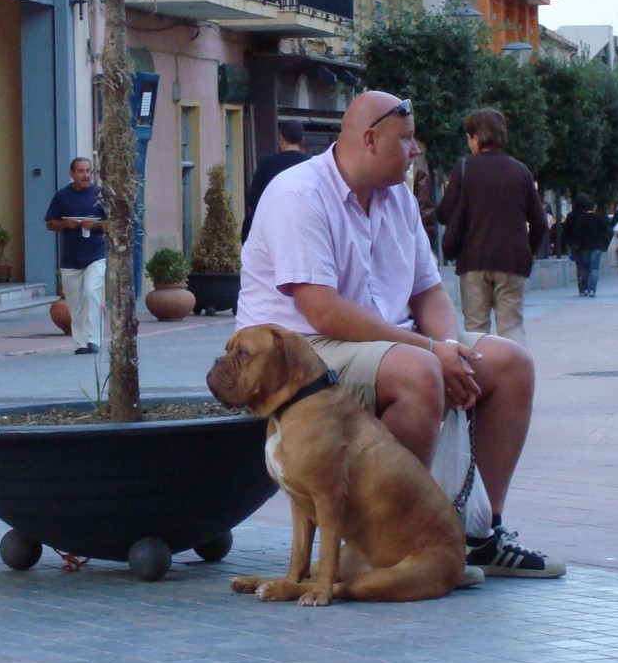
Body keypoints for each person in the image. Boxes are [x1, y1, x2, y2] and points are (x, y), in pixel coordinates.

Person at [238, 91, 562, 578]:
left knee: (510, 363)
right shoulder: (297, 194)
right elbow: (323, 311)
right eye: (406, 140)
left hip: (383, 339)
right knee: (419, 372)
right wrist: (432, 353)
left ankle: (478, 536)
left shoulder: (398, 199)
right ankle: (378, 546)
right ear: (370, 140)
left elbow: (428, 291)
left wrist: (452, 351)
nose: (415, 151)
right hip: (301, 352)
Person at [436, 109, 547, 345]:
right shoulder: (521, 171)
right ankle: (516, 377)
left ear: (475, 137)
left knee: (476, 327)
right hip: (512, 260)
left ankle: (480, 379)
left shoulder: (465, 169)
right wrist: (528, 251)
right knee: (512, 325)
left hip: (473, 261)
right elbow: (539, 222)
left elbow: (444, 214)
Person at [45, 157, 106, 355]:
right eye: (80, 171)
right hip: (70, 258)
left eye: (88, 170)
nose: (86, 175)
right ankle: (80, 343)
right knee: (75, 302)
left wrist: (95, 224)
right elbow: (50, 223)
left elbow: (113, 223)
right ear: (72, 174)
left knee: (91, 292)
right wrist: (67, 224)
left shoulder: (100, 195)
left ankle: (94, 340)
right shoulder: (62, 196)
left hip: (96, 254)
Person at [240, 119, 309, 242]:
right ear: (302, 140)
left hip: (273, 232)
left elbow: (254, 200)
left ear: (281, 139)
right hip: (304, 231)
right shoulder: (312, 165)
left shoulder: (266, 164)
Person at [564, 194, 606, 297]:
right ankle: (592, 289)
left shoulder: (574, 216)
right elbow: (605, 230)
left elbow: (569, 231)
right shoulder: (597, 218)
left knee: (582, 267)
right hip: (595, 246)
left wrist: (571, 242)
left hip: (581, 245)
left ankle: (583, 288)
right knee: (594, 268)